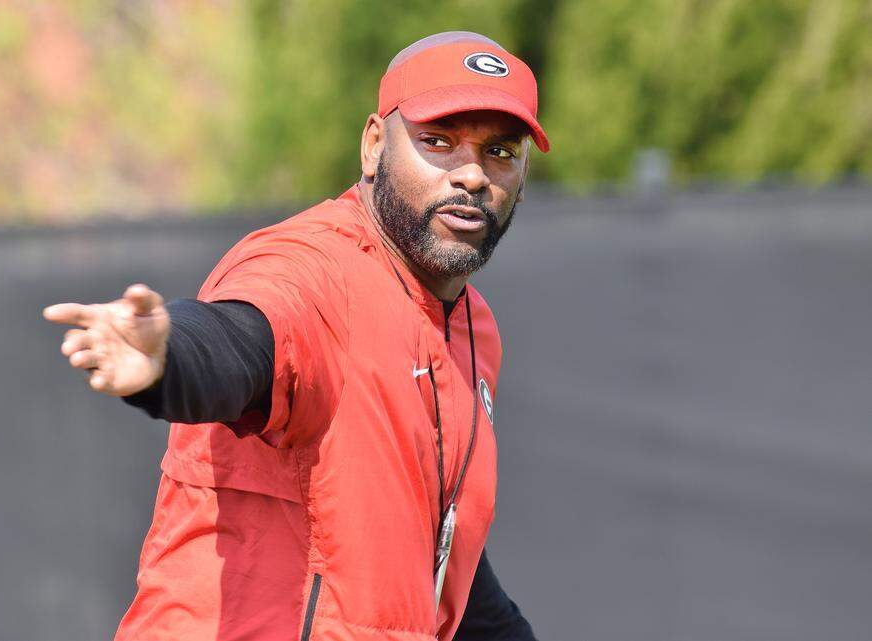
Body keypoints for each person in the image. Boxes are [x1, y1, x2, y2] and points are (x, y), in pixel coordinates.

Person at [44, 31, 548, 641]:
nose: (471, 174)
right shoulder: (314, 269)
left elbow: (438, 550)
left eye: (500, 151)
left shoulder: (474, 329)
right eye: (438, 142)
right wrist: (172, 356)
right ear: (373, 145)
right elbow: (245, 336)